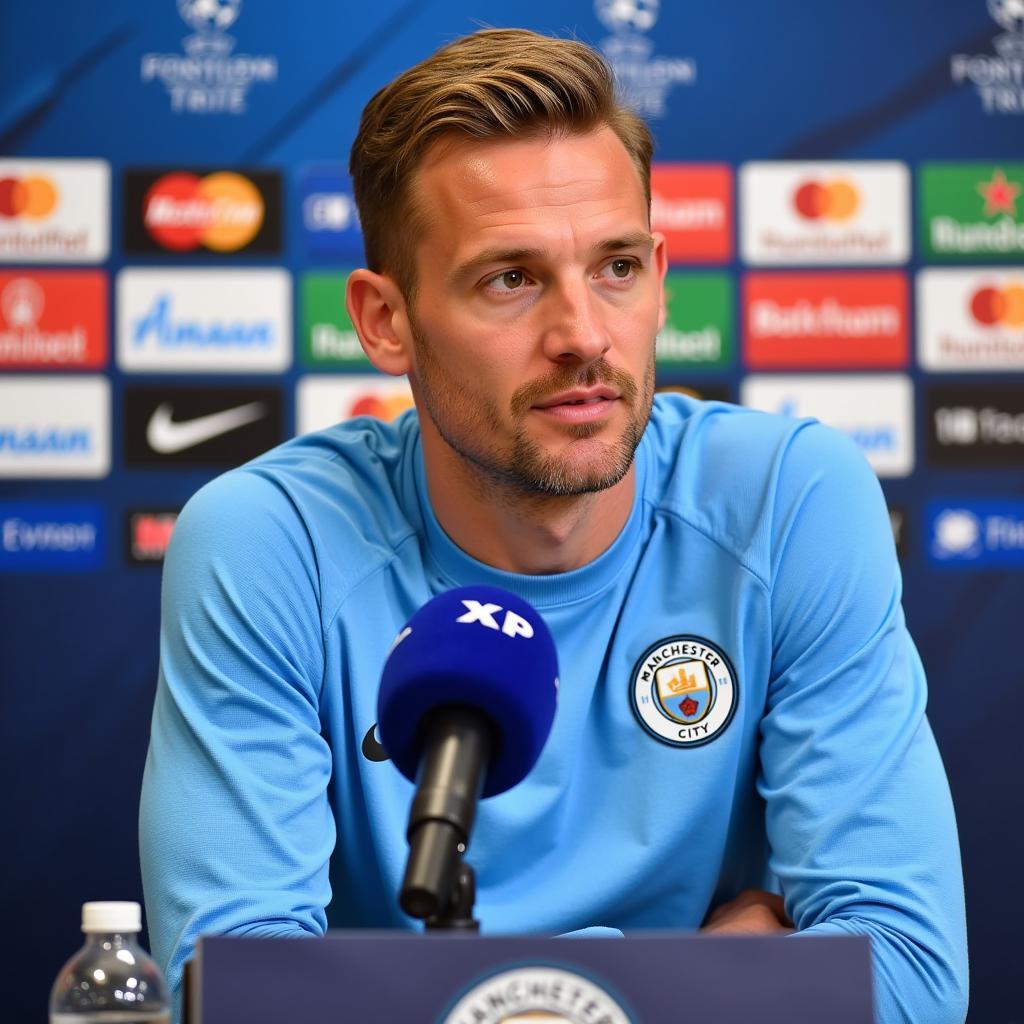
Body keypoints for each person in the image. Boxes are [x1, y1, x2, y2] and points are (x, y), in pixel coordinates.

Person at [139, 28, 968, 1024]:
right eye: (510, 279)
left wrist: (438, 996)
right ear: (383, 320)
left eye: (616, 266)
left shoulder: (789, 499)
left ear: (661, 277)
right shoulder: (268, 541)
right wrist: (695, 976)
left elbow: (912, 983)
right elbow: (238, 999)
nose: (583, 333)